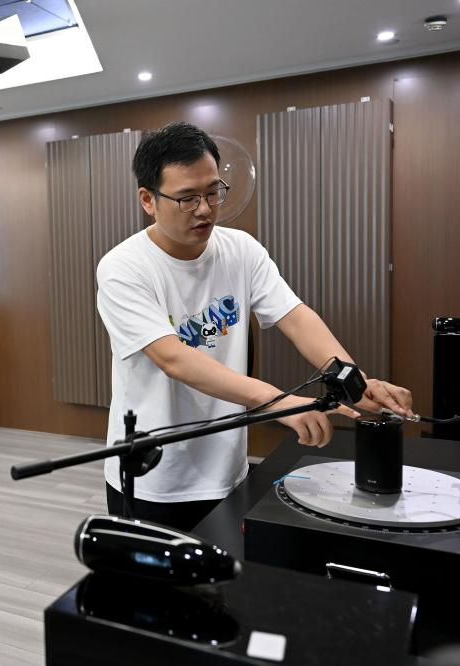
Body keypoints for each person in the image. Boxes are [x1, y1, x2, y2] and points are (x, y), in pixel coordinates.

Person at [96, 121, 414, 532]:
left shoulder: (241, 249)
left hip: (228, 468)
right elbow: (173, 358)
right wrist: (277, 401)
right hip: (154, 477)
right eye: (187, 198)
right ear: (148, 200)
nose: (205, 209)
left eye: (213, 191)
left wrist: (354, 380)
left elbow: (295, 317)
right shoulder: (123, 268)